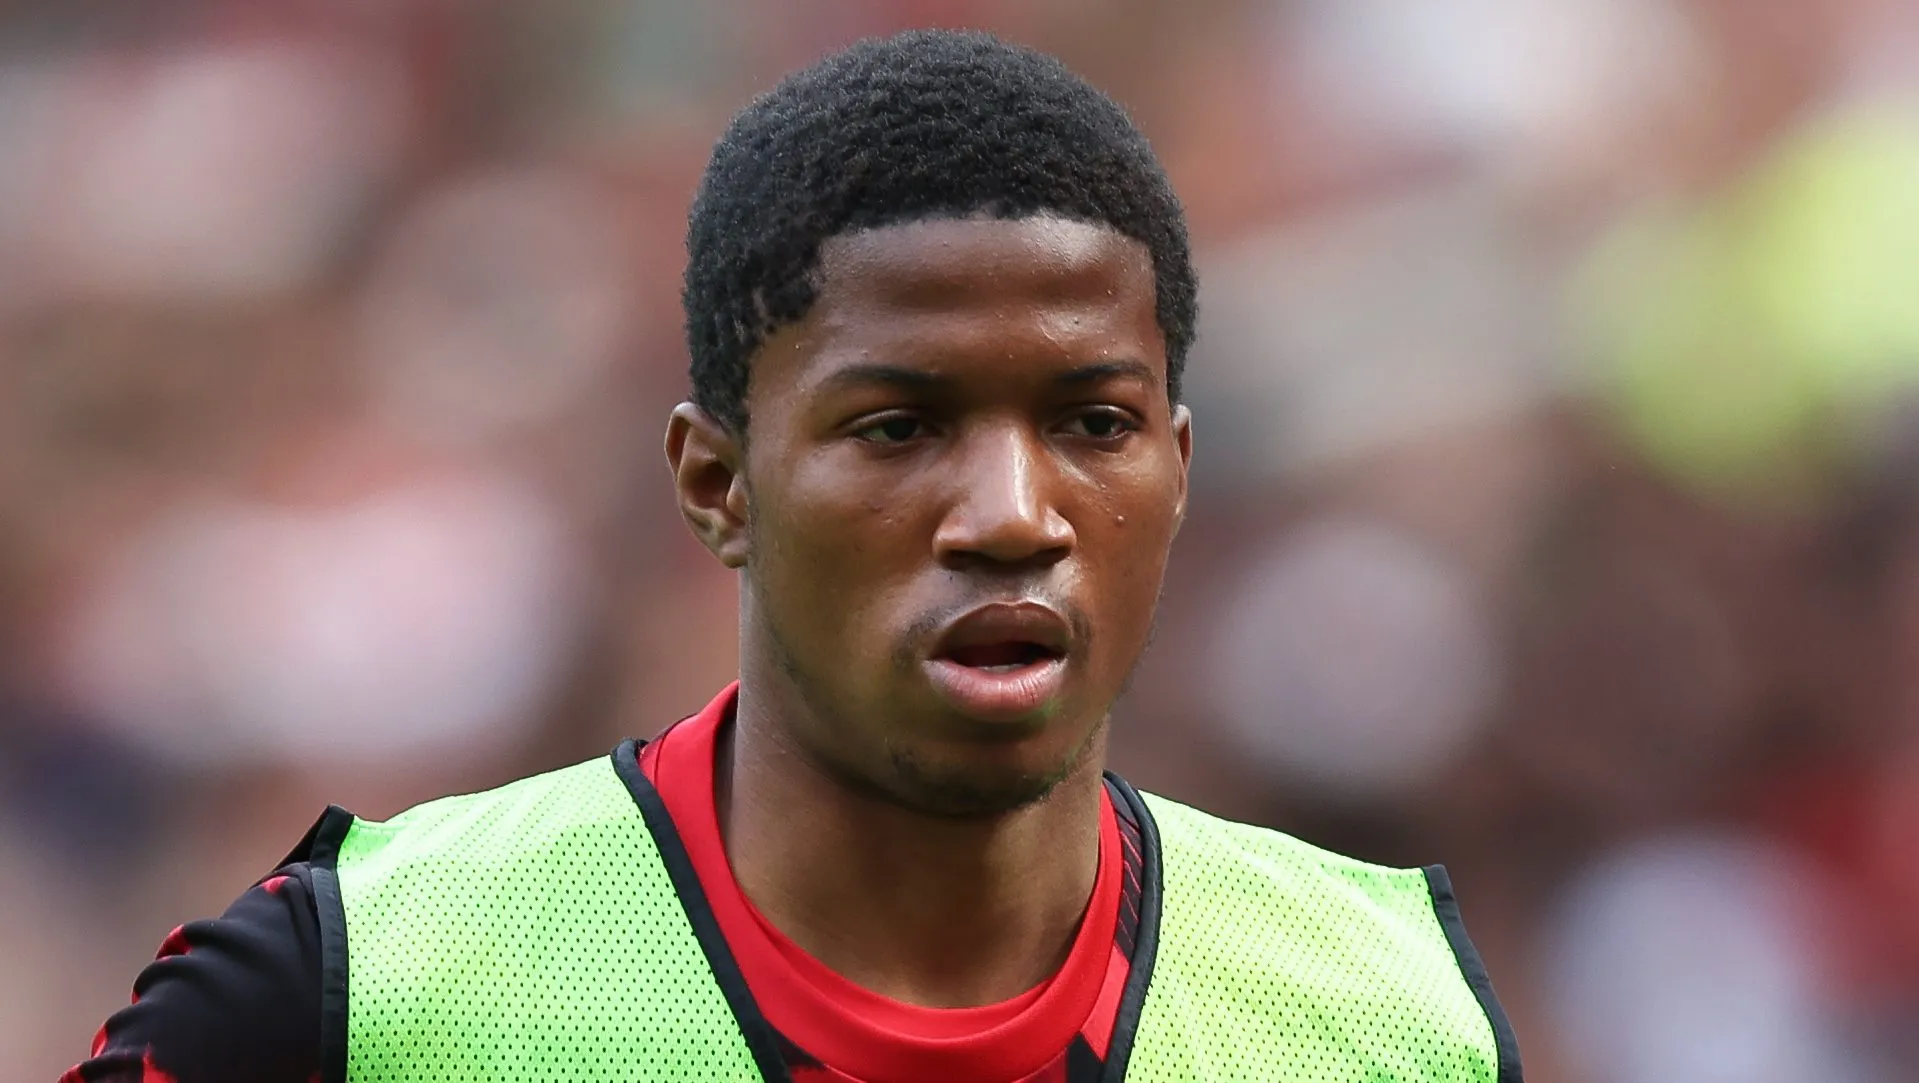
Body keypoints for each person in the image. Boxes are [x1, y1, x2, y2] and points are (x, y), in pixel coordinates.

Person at [61, 29, 1521, 1083]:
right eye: (897, 426)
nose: (1012, 511)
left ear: (1179, 472)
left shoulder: (1388, 1019)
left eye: (1091, 420)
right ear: (718, 484)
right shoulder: (361, 992)